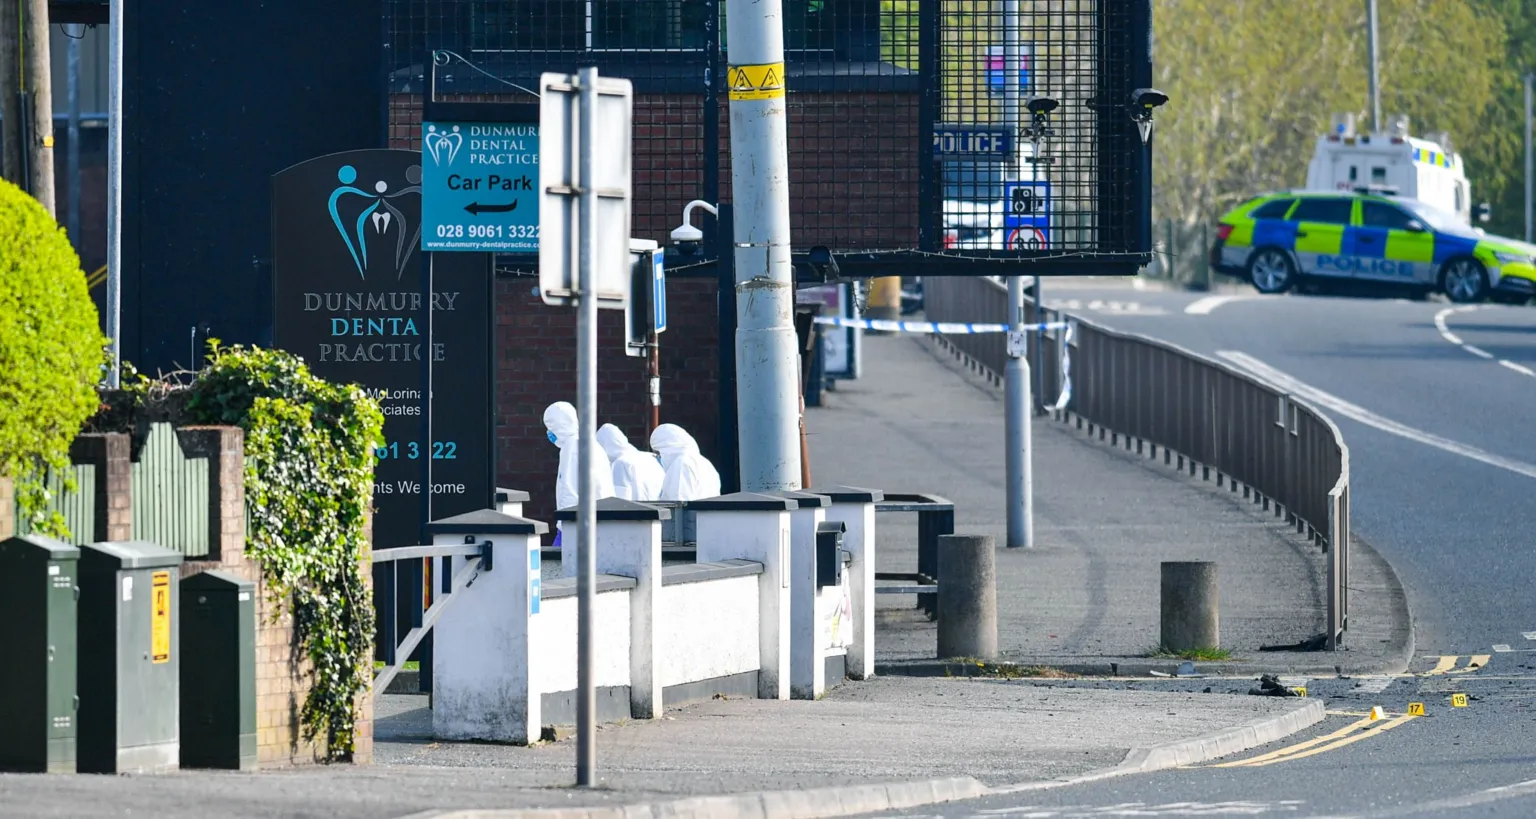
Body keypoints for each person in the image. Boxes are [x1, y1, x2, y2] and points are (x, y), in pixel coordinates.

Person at [543, 401, 615, 547]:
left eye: (550, 427)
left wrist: (565, 525)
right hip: (596, 522)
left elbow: (568, 491)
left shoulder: (572, 447)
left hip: (577, 526)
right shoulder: (589, 444)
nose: (549, 433)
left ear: (558, 426)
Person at [650, 423, 722, 502]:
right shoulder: (706, 464)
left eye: (657, 453)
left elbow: (677, 505)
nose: (657, 458)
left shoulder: (681, 465)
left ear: (666, 450)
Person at [597, 423, 665, 502]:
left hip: (636, 512)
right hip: (659, 510)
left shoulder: (621, 463)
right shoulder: (651, 458)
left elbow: (621, 502)